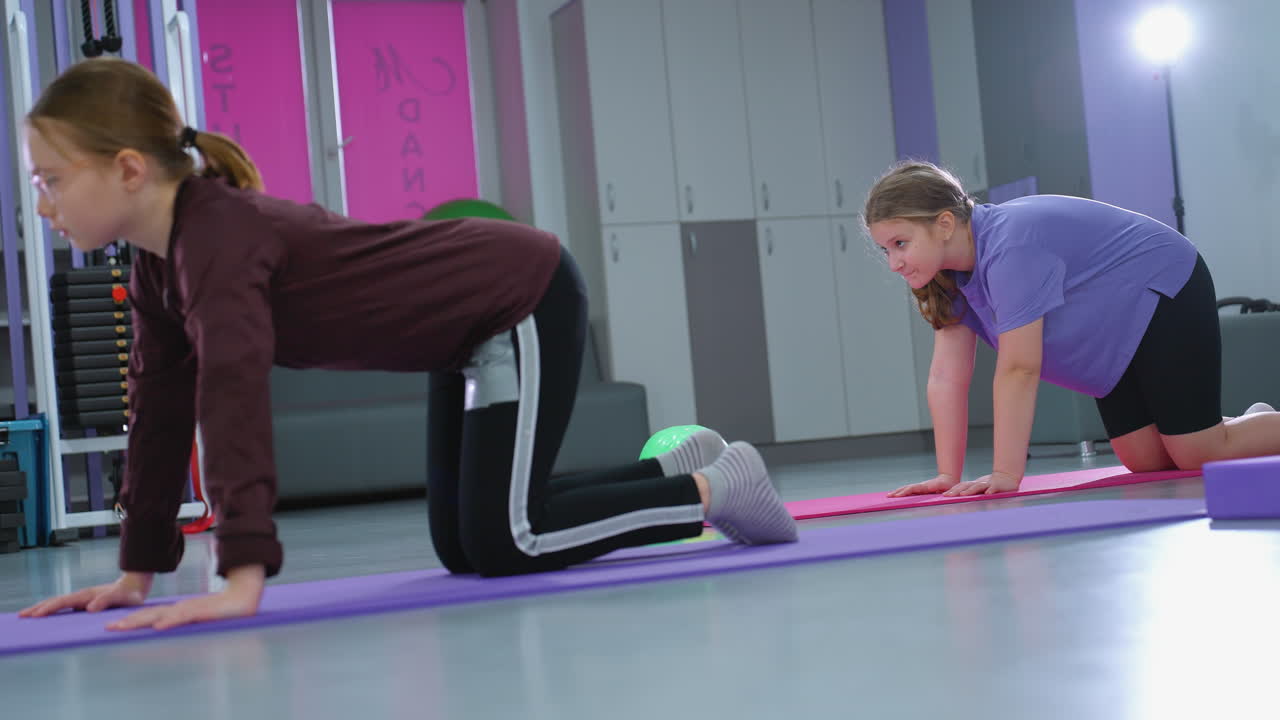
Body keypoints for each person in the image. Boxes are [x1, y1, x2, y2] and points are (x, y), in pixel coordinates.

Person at [18, 58, 796, 631]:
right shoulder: (157, 266)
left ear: (128, 169)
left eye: (52, 180)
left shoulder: (216, 236)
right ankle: (672, 469)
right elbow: (159, 411)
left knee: (510, 540)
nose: (44, 204)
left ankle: (716, 488)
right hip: (461, 336)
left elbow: (232, 396)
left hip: (518, 296)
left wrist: (241, 576)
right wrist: (137, 571)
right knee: (466, 546)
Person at [862, 161, 1280, 499]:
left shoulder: (1009, 246)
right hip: (1113, 325)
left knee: (1197, 452)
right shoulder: (945, 277)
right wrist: (946, 475)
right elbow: (946, 376)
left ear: (945, 224)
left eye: (901, 243)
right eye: (885, 249)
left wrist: (1006, 473)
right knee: (1146, 460)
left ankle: (1225, 431)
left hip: (1162, 285)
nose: (894, 263)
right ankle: (1251, 424)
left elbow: (1020, 368)